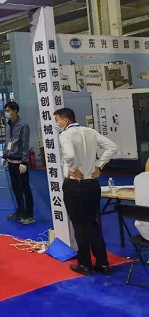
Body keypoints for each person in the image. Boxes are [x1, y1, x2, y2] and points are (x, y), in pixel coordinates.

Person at [54, 107, 118, 276]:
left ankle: (84, 264)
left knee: (79, 225)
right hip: (92, 185)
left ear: (65, 120)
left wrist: (72, 168)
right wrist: (99, 165)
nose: (57, 124)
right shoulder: (91, 132)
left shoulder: (65, 135)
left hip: (75, 186)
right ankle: (103, 263)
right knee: (93, 223)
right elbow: (112, 146)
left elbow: (69, 155)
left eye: (57, 121)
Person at [2, 101, 34, 225]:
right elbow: (7, 141)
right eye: (5, 111)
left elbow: (25, 144)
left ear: (15, 111)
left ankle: (29, 214)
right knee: (15, 188)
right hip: (11, 160)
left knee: (25, 188)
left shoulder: (23, 125)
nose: (6, 113)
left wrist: (24, 162)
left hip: (20, 162)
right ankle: (20, 210)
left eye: (8, 111)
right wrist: (5, 156)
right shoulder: (8, 125)